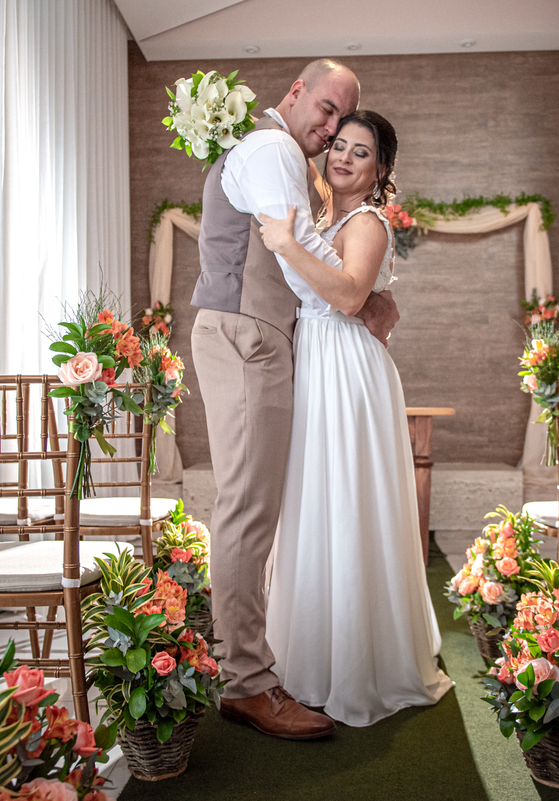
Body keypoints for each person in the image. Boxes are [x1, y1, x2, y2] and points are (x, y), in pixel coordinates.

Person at [190, 59, 400, 740]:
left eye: (345, 121)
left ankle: (258, 664)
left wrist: (364, 297)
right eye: (328, 110)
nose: (332, 128)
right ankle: (248, 682)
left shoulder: (281, 156)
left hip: (268, 338)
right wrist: (357, 299)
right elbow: (297, 253)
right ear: (295, 93)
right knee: (248, 508)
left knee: (264, 506)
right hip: (248, 334)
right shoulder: (274, 148)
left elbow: (312, 255)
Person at [256, 111, 453, 727]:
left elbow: (347, 296)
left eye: (359, 152)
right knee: (316, 500)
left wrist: (286, 245)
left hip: (346, 370)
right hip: (317, 365)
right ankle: (312, 656)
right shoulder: (326, 217)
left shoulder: (365, 221)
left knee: (349, 500)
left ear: (380, 170)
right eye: (338, 145)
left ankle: (363, 663)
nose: (342, 157)